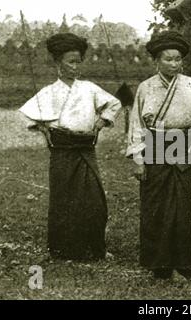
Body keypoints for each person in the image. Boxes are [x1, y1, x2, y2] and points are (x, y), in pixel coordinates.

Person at [19, 33, 122, 261]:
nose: (76, 67)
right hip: (62, 150)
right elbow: (28, 116)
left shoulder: (88, 88)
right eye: (70, 62)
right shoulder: (48, 92)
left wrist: (101, 121)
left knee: (94, 199)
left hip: (85, 148)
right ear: (58, 63)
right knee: (64, 199)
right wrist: (44, 128)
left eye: (79, 61)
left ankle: (96, 247)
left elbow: (114, 104)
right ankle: (63, 249)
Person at [126, 31, 191, 281]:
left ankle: (180, 264)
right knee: (154, 203)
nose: (174, 64)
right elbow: (136, 124)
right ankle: (158, 264)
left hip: (182, 143)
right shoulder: (146, 87)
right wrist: (137, 158)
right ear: (157, 60)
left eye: (178, 59)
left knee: (179, 204)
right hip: (154, 143)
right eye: (168, 59)